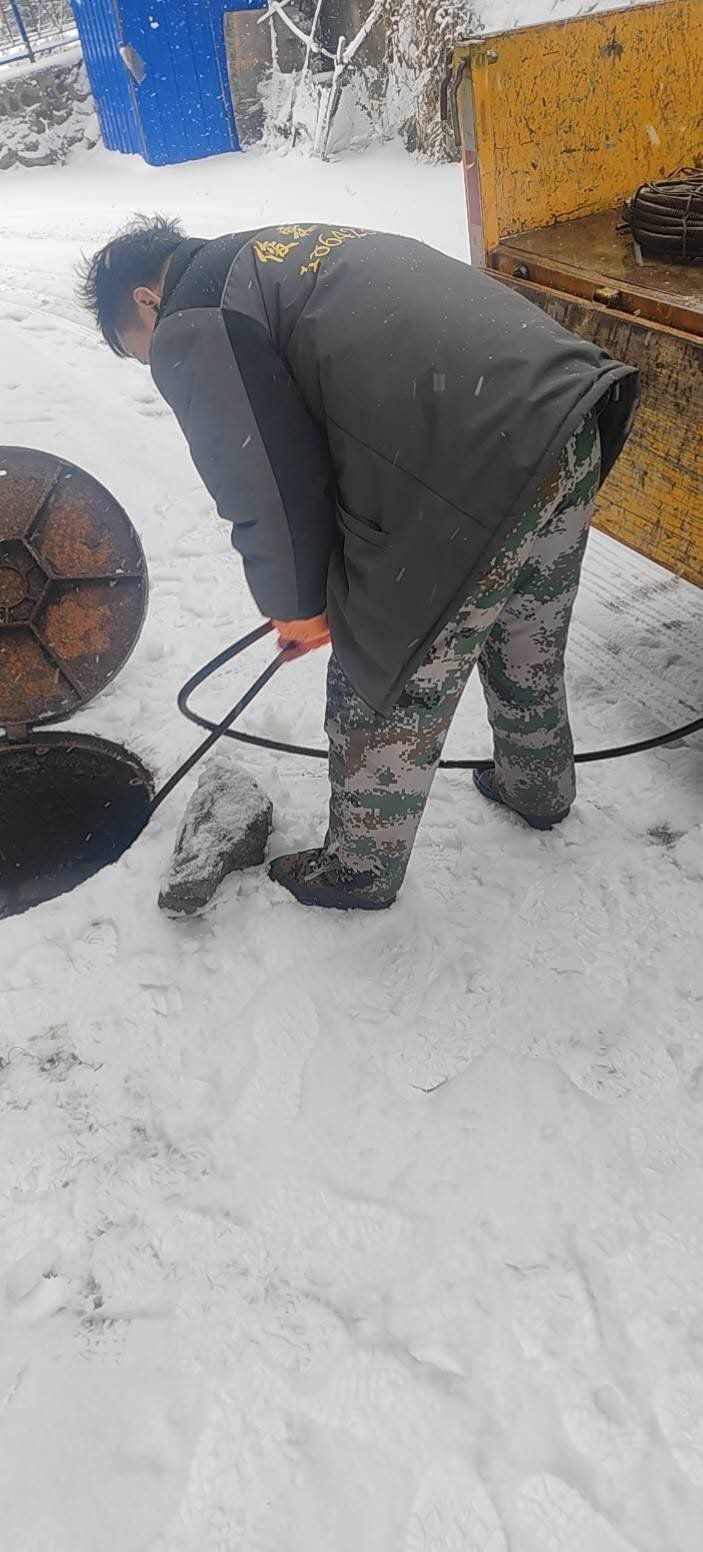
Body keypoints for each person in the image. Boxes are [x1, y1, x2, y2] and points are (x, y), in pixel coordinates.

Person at [80, 216, 639, 911]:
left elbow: (263, 481)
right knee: (526, 627)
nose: (151, 362)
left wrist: (298, 606)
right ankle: (538, 788)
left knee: (382, 669)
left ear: (146, 301)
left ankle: (360, 868)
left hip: (470, 454)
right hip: (567, 412)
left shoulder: (193, 314)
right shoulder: (275, 255)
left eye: (137, 349)